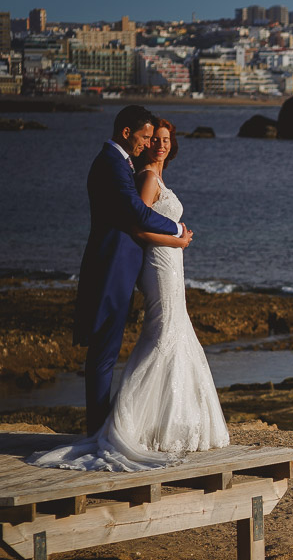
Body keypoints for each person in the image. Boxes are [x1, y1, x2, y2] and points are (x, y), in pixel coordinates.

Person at [29, 115, 229, 471]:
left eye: (165, 138)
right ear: (134, 136)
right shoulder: (139, 174)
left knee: (171, 333)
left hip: (166, 263)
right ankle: (119, 425)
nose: (158, 143)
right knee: (161, 334)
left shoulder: (138, 170)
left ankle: (161, 422)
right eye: (153, 138)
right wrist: (178, 235)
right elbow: (137, 221)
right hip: (153, 262)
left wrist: (176, 242)